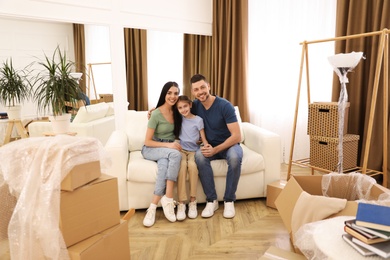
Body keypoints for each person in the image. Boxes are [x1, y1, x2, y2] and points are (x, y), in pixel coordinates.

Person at [190, 74, 243, 219]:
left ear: (209, 86)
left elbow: (237, 136)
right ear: (193, 92)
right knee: (199, 157)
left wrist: (216, 149)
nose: (200, 92)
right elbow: (174, 110)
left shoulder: (224, 105)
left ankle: (229, 200)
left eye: (202, 87)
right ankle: (211, 200)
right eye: (196, 89)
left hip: (229, 144)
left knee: (234, 158)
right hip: (209, 145)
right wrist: (154, 111)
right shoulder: (194, 106)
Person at [141, 81, 182, 227]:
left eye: (176, 93)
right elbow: (147, 142)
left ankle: (152, 207)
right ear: (164, 94)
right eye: (169, 93)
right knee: (176, 155)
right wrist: (169, 145)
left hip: (165, 152)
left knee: (164, 165)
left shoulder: (178, 112)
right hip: (152, 148)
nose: (173, 96)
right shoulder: (156, 114)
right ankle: (168, 197)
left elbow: (192, 107)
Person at [174, 95, 208, 220]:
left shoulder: (198, 120)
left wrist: (206, 144)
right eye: (180, 108)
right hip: (181, 150)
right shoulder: (178, 119)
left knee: (193, 167)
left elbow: (203, 137)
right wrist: (152, 111)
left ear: (190, 105)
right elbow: (163, 110)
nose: (183, 110)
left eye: (185, 106)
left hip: (194, 150)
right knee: (182, 167)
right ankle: (181, 203)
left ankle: (193, 200)